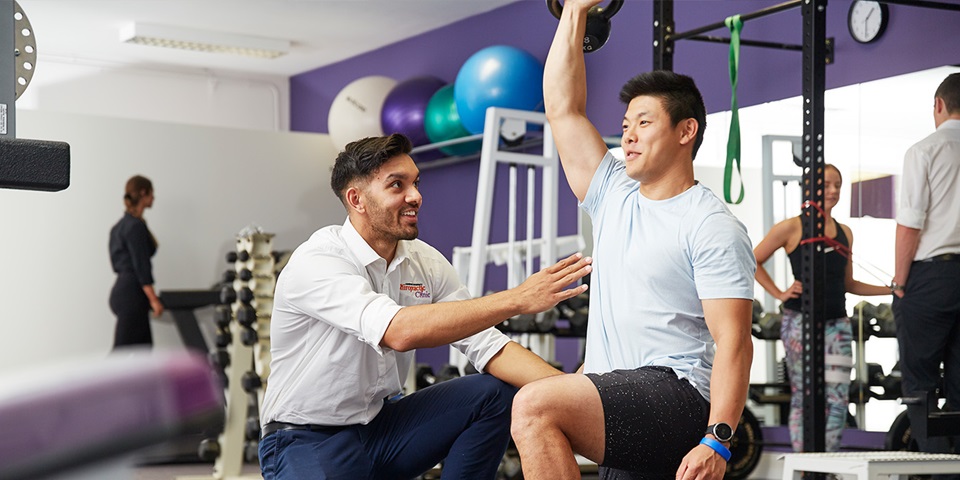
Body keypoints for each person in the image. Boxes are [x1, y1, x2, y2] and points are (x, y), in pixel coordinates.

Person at [509, 2, 757, 479]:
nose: (628, 137)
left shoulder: (710, 224)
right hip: (618, 392)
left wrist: (719, 439)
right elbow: (562, 108)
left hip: (678, 392)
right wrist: (576, 10)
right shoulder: (613, 194)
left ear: (686, 131)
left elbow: (735, 341)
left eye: (643, 123)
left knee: (535, 405)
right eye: (625, 126)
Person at [256, 133, 593, 480]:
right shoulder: (319, 259)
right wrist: (517, 298)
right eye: (397, 185)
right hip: (305, 440)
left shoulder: (425, 262)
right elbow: (397, 331)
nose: (415, 196)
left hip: (383, 430)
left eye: (415, 182)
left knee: (495, 393)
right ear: (356, 199)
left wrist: (572, 391)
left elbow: (487, 345)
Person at [753, 163, 890, 453]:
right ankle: (805, 466)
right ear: (810, 187)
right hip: (798, 321)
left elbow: (848, 282)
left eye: (838, 185)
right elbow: (752, 260)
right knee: (804, 396)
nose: (833, 191)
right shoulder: (791, 227)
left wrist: (893, 289)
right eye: (826, 184)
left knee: (838, 398)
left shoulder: (845, 233)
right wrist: (780, 292)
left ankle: (826, 464)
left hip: (837, 324)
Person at [893, 72, 960, 459]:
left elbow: (909, 224)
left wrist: (900, 283)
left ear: (939, 104)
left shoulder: (925, 150)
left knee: (919, 383)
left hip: (932, 278)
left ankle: (936, 468)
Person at [109, 174, 163, 349]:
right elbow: (141, 266)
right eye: (151, 193)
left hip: (123, 292)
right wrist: (153, 299)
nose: (153, 197)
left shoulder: (119, 227)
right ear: (143, 193)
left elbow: (118, 264)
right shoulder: (135, 227)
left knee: (144, 352)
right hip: (131, 296)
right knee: (121, 355)